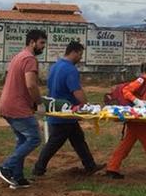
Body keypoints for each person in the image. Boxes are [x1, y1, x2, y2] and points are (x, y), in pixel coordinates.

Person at [32, 41, 100, 177]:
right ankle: (38, 169)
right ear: (73, 52)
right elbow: (76, 91)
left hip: (57, 110)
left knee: (78, 139)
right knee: (54, 143)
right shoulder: (70, 69)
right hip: (65, 113)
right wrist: (87, 106)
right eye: (80, 54)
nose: (81, 58)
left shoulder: (56, 66)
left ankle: (90, 165)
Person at [0, 29, 46, 189]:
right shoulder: (29, 59)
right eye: (41, 43)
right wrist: (39, 103)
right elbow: (31, 84)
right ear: (32, 42)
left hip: (7, 104)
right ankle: (6, 168)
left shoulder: (18, 56)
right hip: (17, 106)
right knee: (34, 138)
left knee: (23, 139)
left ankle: (17, 177)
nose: (43, 47)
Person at [104, 60, 146, 179]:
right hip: (137, 117)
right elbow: (126, 91)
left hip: (141, 117)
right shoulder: (141, 81)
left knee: (127, 143)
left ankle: (112, 167)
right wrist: (138, 102)